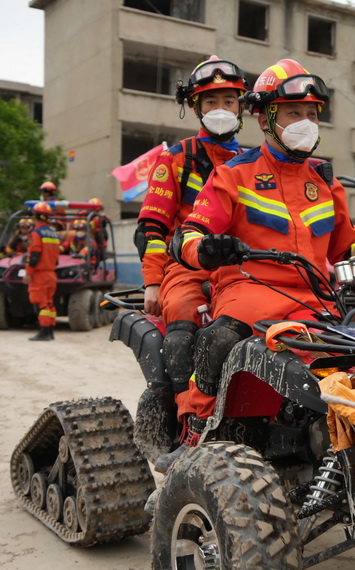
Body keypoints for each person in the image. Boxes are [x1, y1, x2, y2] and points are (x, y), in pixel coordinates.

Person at [163, 58, 355, 471]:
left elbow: (346, 243)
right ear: (266, 119)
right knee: (217, 339)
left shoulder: (325, 181)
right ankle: (195, 424)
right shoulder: (233, 175)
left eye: (311, 113)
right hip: (249, 292)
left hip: (316, 297)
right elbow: (189, 235)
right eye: (293, 113)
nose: (305, 122)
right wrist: (208, 249)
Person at [133, 55, 249, 433]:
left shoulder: (251, 162)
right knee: (182, 332)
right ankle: (187, 422)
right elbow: (152, 227)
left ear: (241, 107)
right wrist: (153, 281)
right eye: (211, 103)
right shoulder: (176, 158)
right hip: (187, 266)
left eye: (228, 102)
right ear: (196, 107)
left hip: (242, 267)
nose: (221, 110)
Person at [24, 202, 60, 341]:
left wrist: (28, 272)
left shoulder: (36, 233)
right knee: (49, 303)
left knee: (41, 303)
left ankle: (44, 332)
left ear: (36, 216)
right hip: (51, 273)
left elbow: (34, 255)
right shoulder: (53, 233)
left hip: (40, 274)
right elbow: (56, 256)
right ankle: (50, 331)